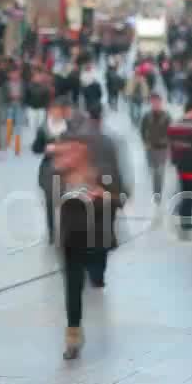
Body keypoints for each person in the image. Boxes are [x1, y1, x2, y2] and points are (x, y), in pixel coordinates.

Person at [48, 130, 126, 360]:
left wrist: (103, 196)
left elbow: (120, 197)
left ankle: (97, 275)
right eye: (69, 148)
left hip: (95, 237)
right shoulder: (57, 173)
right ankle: (73, 335)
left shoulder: (101, 172)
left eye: (77, 149)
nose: (72, 153)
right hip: (70, 238)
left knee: (94, 274)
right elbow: (47, 192)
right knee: (73, 287)